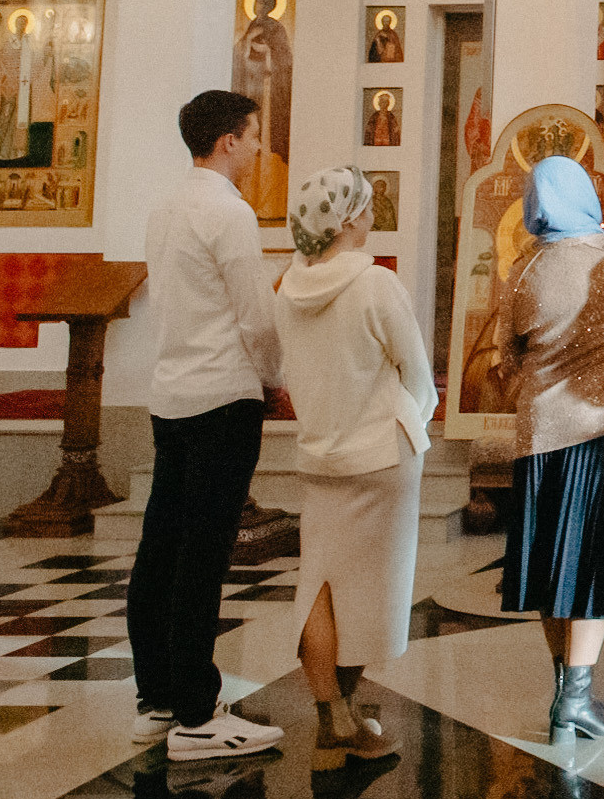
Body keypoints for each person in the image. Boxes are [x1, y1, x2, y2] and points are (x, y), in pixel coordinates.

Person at [128, 91, 287, 760]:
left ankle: (157, 696)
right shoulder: (230, 212)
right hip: (224, 397)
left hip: (171, 394)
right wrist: (274, 376)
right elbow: (256, 314)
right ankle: (197, 713)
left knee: (162, 546)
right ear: (227, 140)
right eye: (252, 135)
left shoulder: (165, 207)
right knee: (203, 552)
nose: (256, 147)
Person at [494, 154, 604, 739]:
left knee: (553, 569)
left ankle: (565, 687)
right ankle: (575, 699)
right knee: (594, 568)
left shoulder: (522, 270)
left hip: (538, 439)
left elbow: (508, 358)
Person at [274, 166, 432, 769]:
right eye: (366, 207)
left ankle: (331, 718)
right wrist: (411, 424)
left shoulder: (286, 288)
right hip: (383, 456)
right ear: (345, 221)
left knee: (320, 585)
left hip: (320, 456)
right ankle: (346, 713)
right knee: (372, 595)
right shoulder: (377, 285)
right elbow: (417, 374)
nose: (372, 216)